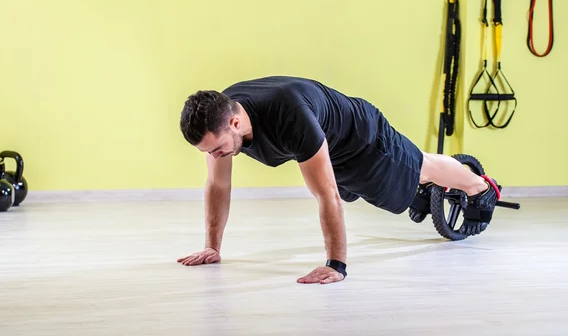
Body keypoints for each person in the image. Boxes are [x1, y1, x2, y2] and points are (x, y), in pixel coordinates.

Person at [177, 76, 501, 284]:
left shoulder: (288, 116)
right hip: (329, 147)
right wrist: (211, 247)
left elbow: (326, 194)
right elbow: (218, 185)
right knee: (388, 196)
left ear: (234, 122)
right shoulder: (219, 119)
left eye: (217, 149)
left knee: (420, 167)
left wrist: (336, 265)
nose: (215, 156)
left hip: (362, 137)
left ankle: (480, 188)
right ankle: (418, 194)